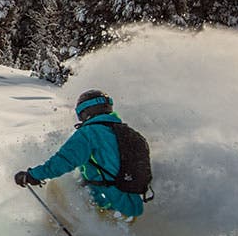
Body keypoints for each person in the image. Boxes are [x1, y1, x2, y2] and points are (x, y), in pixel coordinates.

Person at [13, 89, 146, 219]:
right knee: (79, 183)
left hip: (109, 206)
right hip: (132, 208)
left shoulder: (89, 133)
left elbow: (62, 162)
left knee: (56, 186)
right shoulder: (129, 133)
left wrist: (32, 175)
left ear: (85, 112)